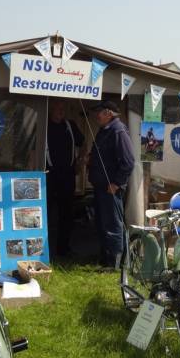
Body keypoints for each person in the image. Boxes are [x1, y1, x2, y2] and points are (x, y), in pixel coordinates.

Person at [88, 100, 135, 269]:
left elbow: (128, 162)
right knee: (103, 224)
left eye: (99, 112)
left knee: (113, 226)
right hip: (101, 187)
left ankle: (115, 265)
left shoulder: (118, 131)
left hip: (111, 189)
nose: (96, 115)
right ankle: (107, 258)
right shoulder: (105, 130)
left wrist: (116, 183)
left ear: (108, 113)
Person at [46, 98, 85, 257]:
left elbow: (83, 143)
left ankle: (64, 248)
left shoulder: (70, 125)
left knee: (67, 213)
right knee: (46, 213)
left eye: (63, 109)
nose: (61, 112)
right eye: (58, 108)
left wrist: (81, 161)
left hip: (67, 175)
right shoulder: (44, 125)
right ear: (51, 110)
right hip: (48, 175)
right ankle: (44, 250)